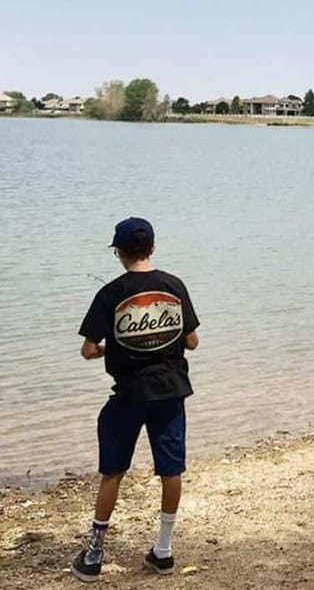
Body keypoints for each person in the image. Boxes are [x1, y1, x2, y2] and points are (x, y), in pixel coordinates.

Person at [71, 218, 200, 582]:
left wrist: (113, 347)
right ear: (153, 248)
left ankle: (94, 555)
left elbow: (88, 350)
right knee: (171, 470)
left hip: (129, 394)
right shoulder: (174, 286)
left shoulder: (110, 293)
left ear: (119, 252)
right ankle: (164, 550)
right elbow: (192, 342)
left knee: (113, 472)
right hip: (171, 391)